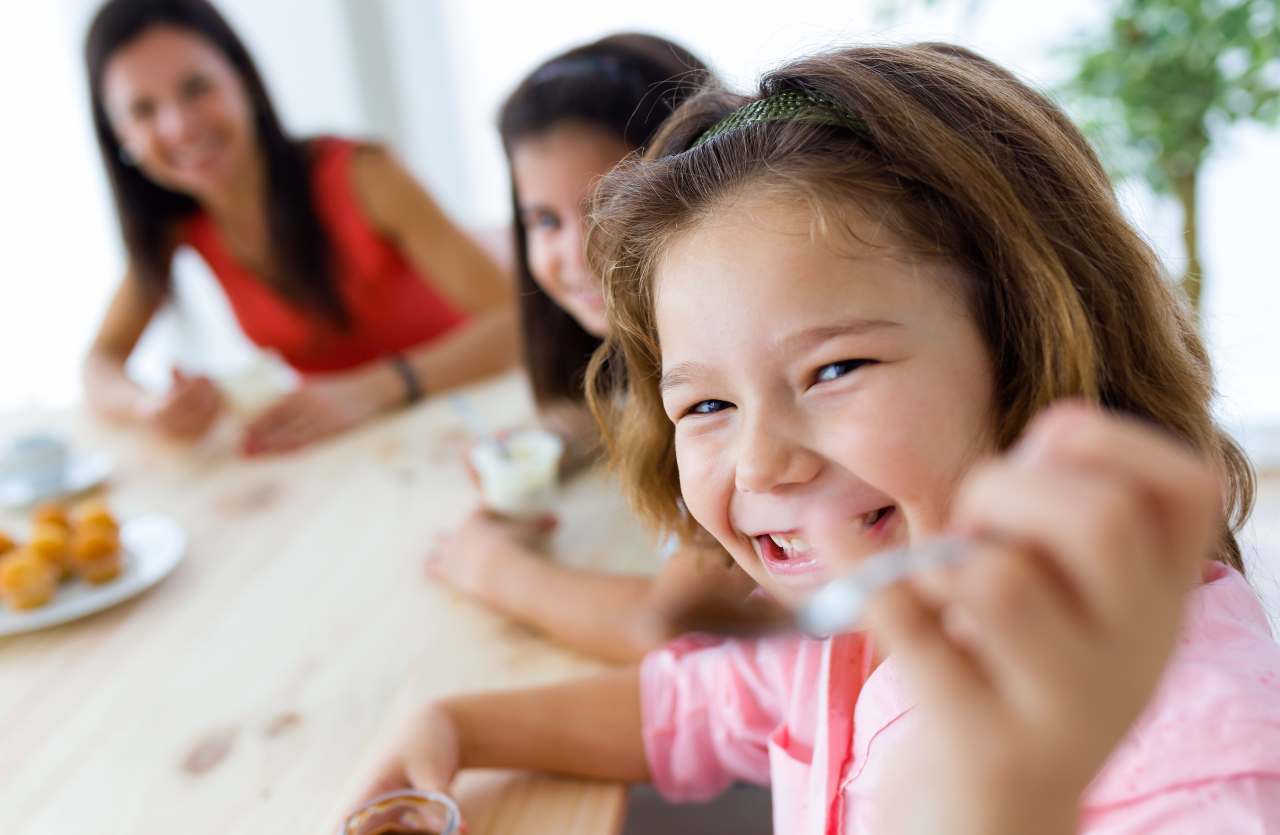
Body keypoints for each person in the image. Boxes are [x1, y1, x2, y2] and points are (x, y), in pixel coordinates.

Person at [359, 43, 1280, 834]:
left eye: (834, 371)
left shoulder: (1201, 758)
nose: (761, 463)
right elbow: (699, 704)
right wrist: (454, 722)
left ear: (1033, 343)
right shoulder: (848, 616)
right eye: (706, 407)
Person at [425, 34, 761, 663]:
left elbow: (678, 628)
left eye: (606, 206)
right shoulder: (643, 355)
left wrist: (491, 568)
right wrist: (557, 435)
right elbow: (615, 399)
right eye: (544, 221)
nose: (577, 253)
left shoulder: (736, 388)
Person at [81, 0, 518, 455]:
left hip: (467, 419)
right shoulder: (177, 226)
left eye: (195, 87)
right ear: (119, 137)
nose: (179, 126)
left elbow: (517, 323)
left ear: (243, 80)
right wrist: (148, 405)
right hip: (357, 449)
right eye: (142, 110)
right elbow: (99, 364)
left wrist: (371, 390)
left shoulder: (361, 174)